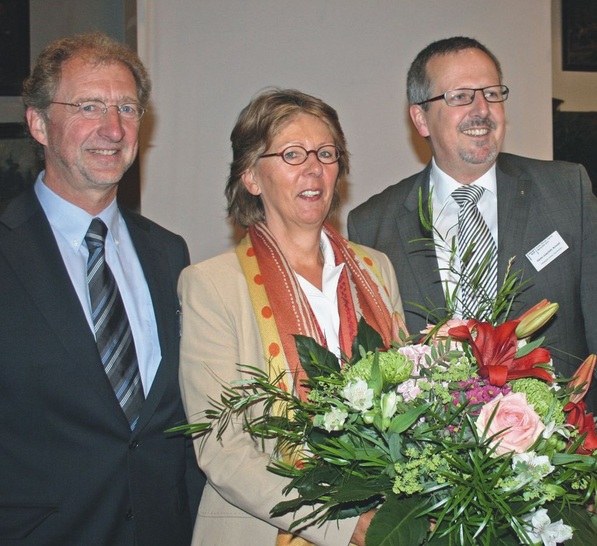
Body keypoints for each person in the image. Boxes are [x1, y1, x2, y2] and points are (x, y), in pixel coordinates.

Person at [0, 32, 204, 545]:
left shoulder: (169, 253)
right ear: (39, 123)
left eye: (128, 108)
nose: (112, 129)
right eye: (89, 106)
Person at [178, 88, 404, 545]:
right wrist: (344, 524)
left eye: (326, 153)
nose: (314, 169)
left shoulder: (375, 269)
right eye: (292, 154)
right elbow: (221, 448)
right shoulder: (211, 285)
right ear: (252, 177)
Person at [347, 36, 597, 411]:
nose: (483, 110)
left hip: (563, 447)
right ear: (421, 118)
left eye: (493, 94)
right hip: (438, 454)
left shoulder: (566, 191)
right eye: (461, 96)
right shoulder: (373, 225)